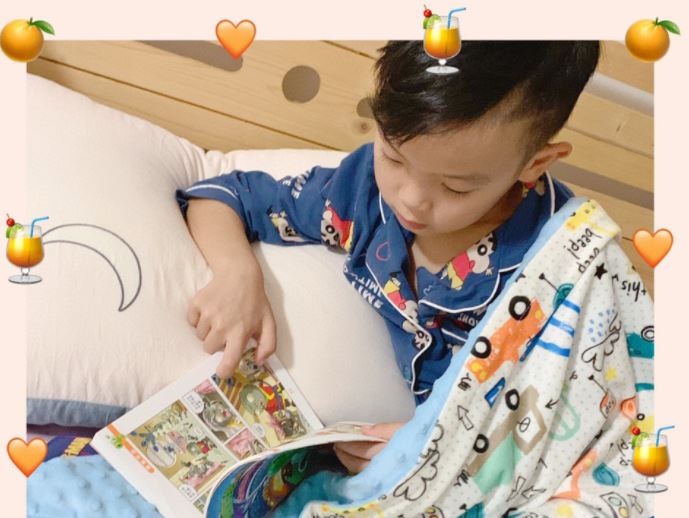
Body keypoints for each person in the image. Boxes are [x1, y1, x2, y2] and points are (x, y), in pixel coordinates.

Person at [176, 40, 601, 473]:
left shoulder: (566, 259)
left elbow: (572, 416)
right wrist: (237, 276)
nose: (411, 199)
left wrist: (432, 447)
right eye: (394, 157)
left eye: (455, 187)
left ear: (534, 164)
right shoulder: (360, 194)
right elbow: (223, 197)